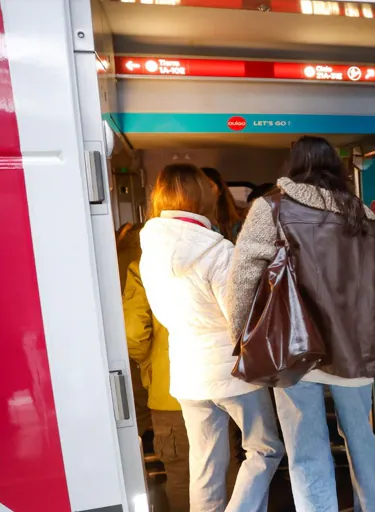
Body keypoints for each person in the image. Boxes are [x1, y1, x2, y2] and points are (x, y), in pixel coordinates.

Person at [227, 136, 375, 512]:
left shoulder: (270, 208)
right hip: (355, 350)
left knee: (306, 447)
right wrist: (374, 337)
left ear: (294, 166)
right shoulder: (364, 218)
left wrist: (242, 333)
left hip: (293, 346)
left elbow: (242, 279)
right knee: (361, 439)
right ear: (334, 168)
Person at [139, 163, 284, 511]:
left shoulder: (151, 251)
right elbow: (242, 320)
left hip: (188, 372)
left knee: (204, 465)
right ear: (202, 195)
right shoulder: (218, 252)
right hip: (232, 373)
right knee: (265, 449)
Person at [122, 252, 190, 511]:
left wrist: (149, 364)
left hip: (169, 391)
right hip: (216, 389)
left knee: (182, 475)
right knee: (221, 468)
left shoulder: (142, 266)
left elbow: (133, 334)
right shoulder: (215, 251)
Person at [202, 167, 243, 242]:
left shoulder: (241, 217)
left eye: (209, 186)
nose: (204, 191)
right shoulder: (193, 220)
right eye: (200, 188)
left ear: (220, 189)